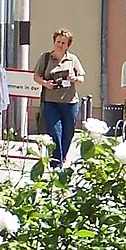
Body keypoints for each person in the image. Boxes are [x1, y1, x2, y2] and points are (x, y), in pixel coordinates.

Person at [34, 27, 86, 161]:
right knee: (55, 132)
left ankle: (62, 156)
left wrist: (75, 78)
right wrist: (45, 83)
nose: (60, 45)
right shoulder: (45, 58)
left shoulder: (73, 59)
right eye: (58, 42)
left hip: (70, 102)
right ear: (54, 42)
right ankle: (56, 162)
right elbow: (36, 76)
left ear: (68, 45)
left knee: (68, 133)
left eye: (63, 43)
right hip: (50, 102)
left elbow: (82, 78)